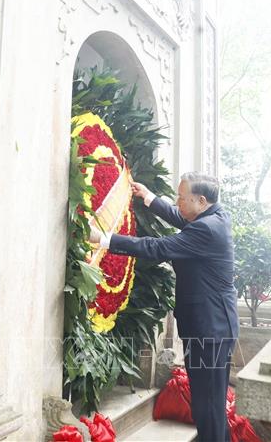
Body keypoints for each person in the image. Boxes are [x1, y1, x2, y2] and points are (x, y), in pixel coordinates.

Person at [89, 172, 238, 442]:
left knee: (209, 405)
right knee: (207, 401)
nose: (178, 201)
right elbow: (183, 218)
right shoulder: (213, 216)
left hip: (210, 328)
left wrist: (103, 238)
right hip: (210, 325)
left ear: (201, 200)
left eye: (182, 197)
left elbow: (158, 247)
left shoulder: (206, 229)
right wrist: (150, 198)